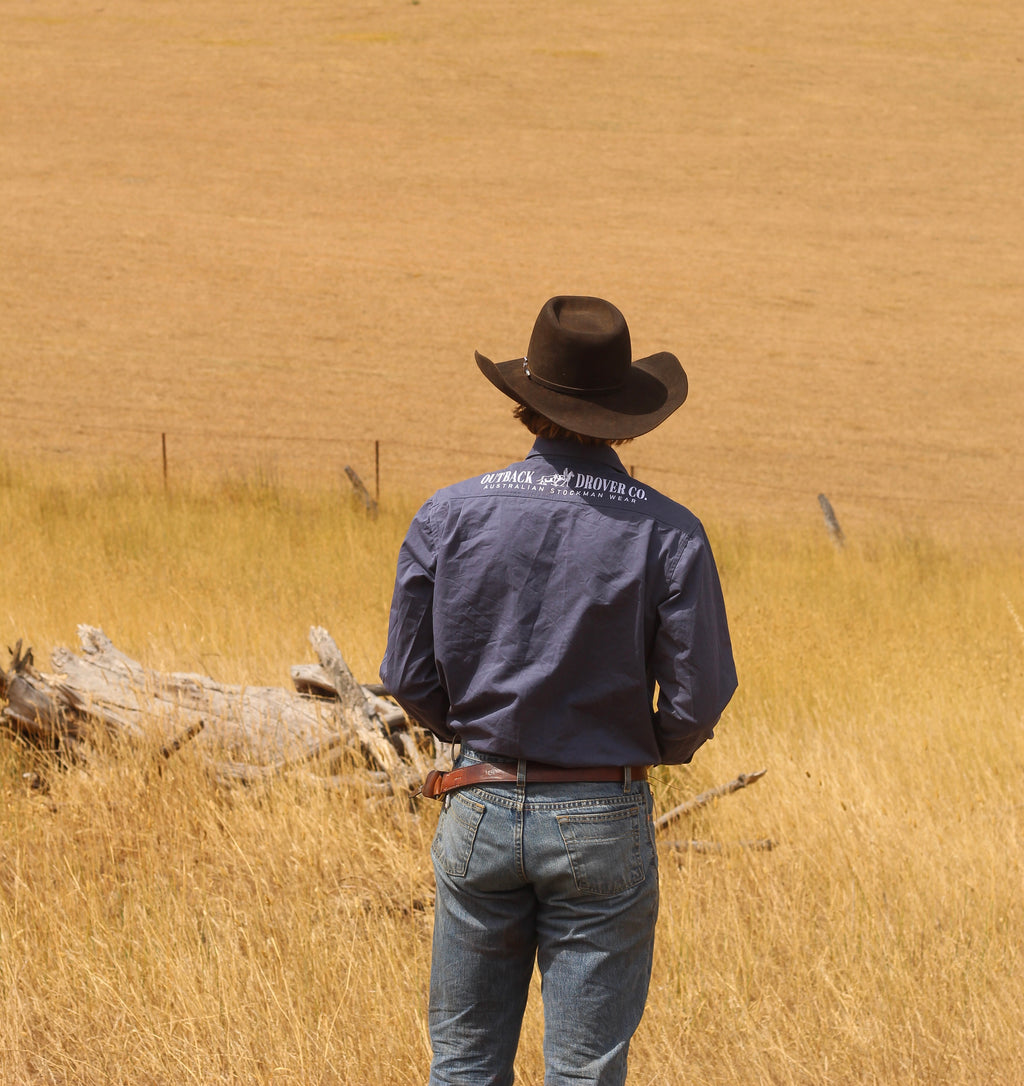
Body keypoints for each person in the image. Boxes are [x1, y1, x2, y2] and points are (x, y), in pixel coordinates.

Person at [380, 295, 737, 1086]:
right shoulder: (669, 531)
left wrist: (468, 730)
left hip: (479, 797)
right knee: (584, 1073)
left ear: (526, 402)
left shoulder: (450, 513)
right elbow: (697, 697)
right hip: (601, 813)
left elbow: (406, 673)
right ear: (625, 418)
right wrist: (648, 746)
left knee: (464, 1067)